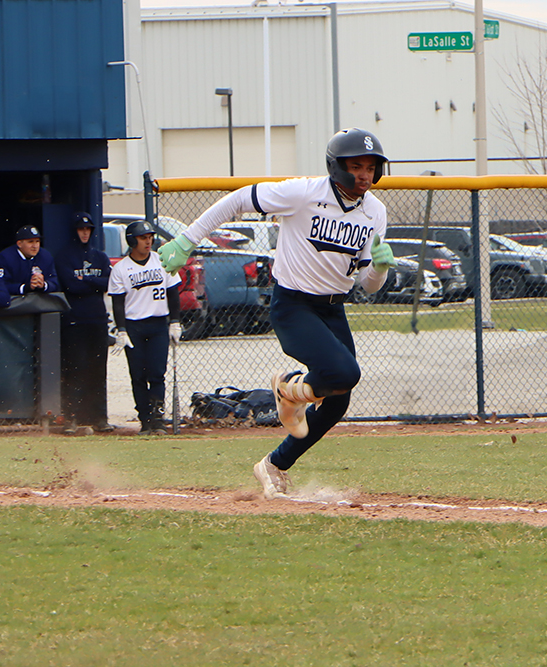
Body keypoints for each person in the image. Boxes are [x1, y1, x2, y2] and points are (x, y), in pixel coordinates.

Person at [157, 128, 397, 498]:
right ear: (336, 166)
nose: (364, 175)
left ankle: (274, 466)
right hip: (294, 305)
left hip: (333, 308)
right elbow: (238, 199)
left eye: (371, 167)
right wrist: (188, 240)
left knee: (339, 398)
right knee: (344, 372)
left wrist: (379, 268)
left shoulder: (374, 211)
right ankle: (287, 389)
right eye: (356, 166)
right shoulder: (303, 193)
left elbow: (367, 284)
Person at [108, 220, 182, 436]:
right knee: (138, 375)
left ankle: (158, 420)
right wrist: (121, 330)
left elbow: (173, 293)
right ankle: (145, 420)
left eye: (149, 237)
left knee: (157, 373)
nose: (148, 241)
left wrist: (175, 322)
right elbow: (118, 302)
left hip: (158, 324)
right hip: (134, 327)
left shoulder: (161, 261)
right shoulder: (121, 268)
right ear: (132, 241)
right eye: (142, 238)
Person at [55, 212, 113, 433]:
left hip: (97, 320)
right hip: (74, 321)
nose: (85, 233)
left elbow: (108, 283)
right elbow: (71, 286)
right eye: (81, 229)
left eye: (88, 229)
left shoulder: (100, 256)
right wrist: (93, 283)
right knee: (75, 370)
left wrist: (86, 280)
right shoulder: (64, 256)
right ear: (75, 231)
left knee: (98, 370)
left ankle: (99, 417)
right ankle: (72, 418)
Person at [0, 225, 58, 296]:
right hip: (14, 303)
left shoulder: (45, 256)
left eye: (37, 241)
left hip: (39, 302)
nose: (35, 246)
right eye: (30, 242)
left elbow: (55, 282)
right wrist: (25, 287)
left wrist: (43, 285)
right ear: (19, 244)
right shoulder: (5, 257)